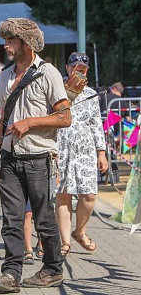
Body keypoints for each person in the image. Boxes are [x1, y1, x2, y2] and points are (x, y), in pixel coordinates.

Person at [0, 18, 71, 292]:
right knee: (11, 219)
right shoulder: (5, 75)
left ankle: (52, 269)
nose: (6, 44)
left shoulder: (49, 73)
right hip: (9, 158)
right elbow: (2, 120)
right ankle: (11, 274)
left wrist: (31, 122)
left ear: (25, 42)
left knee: (43, 218)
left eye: (10, 40)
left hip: (40, 158)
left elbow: (65, 117)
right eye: (6, 39)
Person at [55, 53, 109, 256]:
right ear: (68, 69)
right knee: (63, 196)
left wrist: (101, 153)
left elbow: (96, 124)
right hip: (61, 149)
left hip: (85, 152)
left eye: (83, 69)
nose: (79, 71)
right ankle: (65, 241)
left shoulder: (91, 94)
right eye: (75, 68)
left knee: (89, 196)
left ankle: (80, 231)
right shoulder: (56, 90)